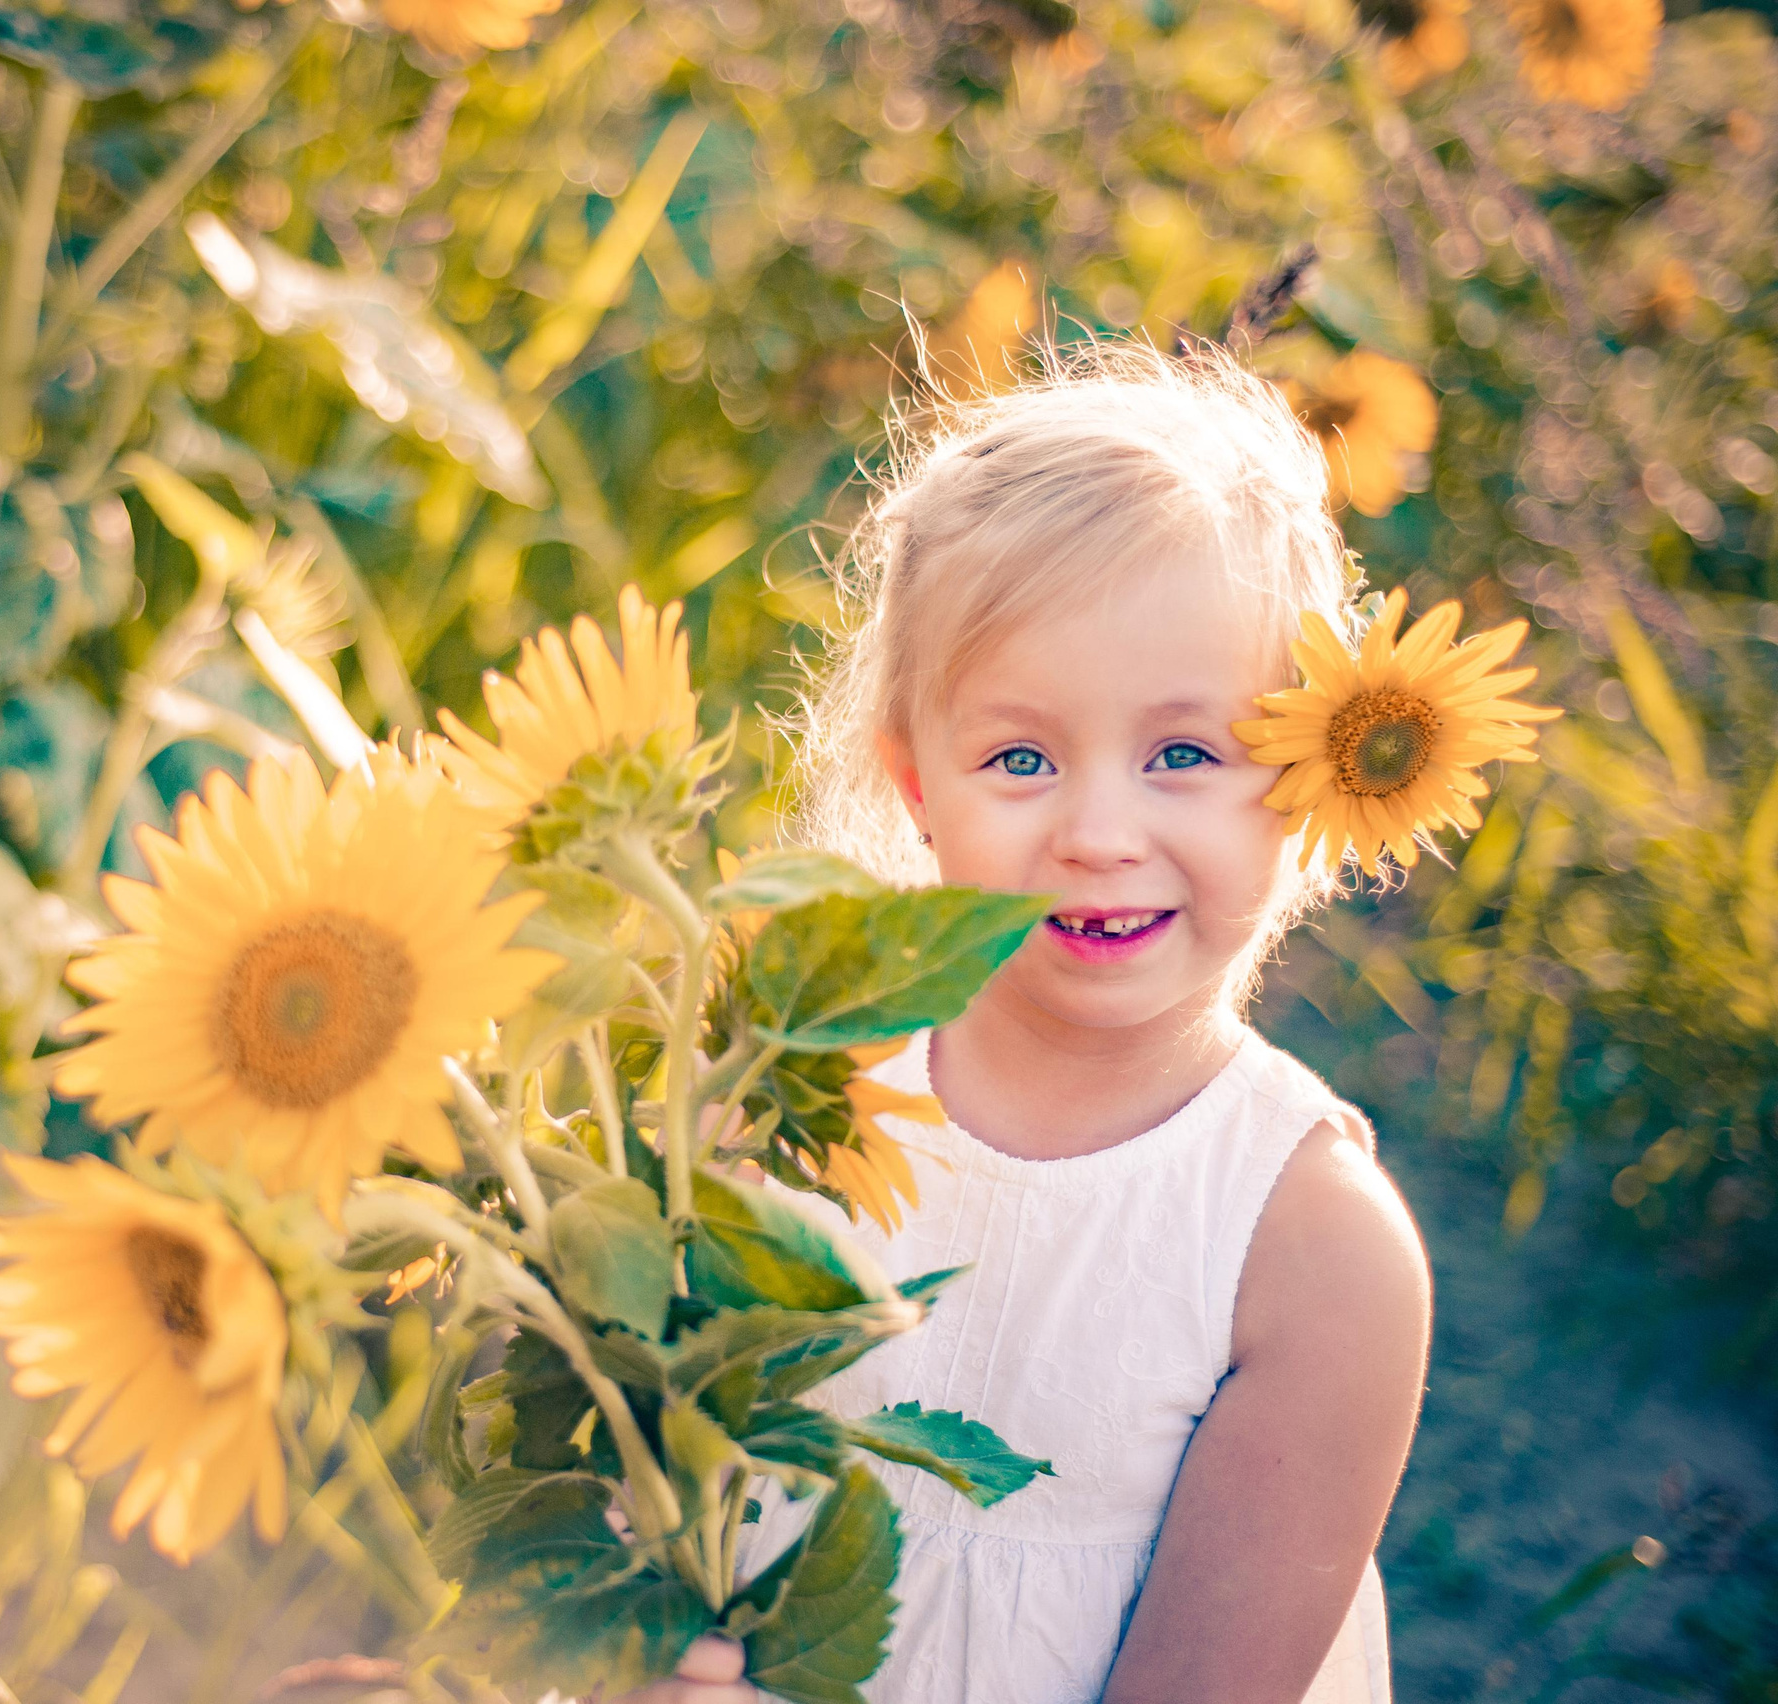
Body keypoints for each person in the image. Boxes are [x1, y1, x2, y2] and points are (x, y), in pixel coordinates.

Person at [631, 336, 1472, 1704]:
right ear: (915, 785)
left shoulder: (1315, 1250)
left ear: (1310, 771)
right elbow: (650, 1506)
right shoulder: (781, 1100)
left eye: (1183, 755)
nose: (1097, 834)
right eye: (1020, 758)